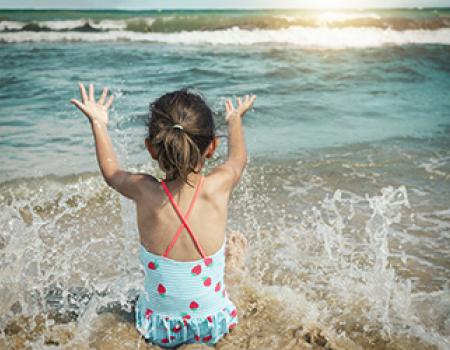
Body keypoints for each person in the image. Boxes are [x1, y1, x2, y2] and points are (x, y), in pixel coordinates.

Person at [70, 83, 256, 347]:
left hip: (159, 328)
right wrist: (235, 120)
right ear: (212, 147)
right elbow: (238, 159)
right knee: (230, 251)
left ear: (151, 148)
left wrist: (98, 123)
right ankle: (229, 263)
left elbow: (110, 173)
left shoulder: (144, 190)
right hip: (212, 325)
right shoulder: (218, 185)